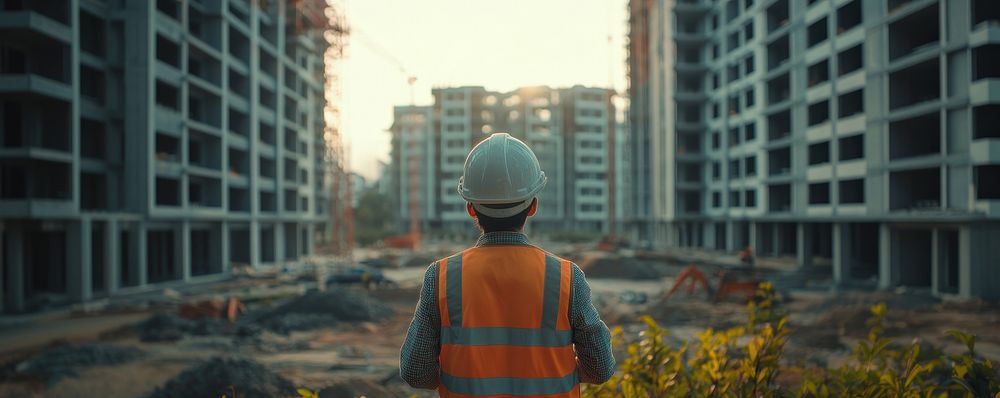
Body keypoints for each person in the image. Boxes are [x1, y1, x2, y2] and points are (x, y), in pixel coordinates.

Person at [399, 133, 615, 397]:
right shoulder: (566, 277)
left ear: (470, 208)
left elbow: (415, 371)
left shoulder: (441, 277)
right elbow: (601, 368)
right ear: (533, 205)